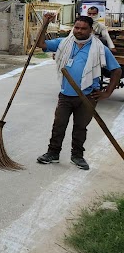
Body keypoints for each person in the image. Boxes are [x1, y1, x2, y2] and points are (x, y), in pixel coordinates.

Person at [36, 13, 122, 170]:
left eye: (83, 28)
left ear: (91, 30)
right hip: (65, 95)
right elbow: (40, 43)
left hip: (88, 96)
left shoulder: (99, 48)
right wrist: (45, 23)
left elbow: (116, 70)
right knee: (58, 126)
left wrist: (107, 92)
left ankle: (77, 156)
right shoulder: (64, 43)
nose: (79, 31)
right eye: (77, 27)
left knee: (80, 128)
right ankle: (53, 153)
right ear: (73, 28)